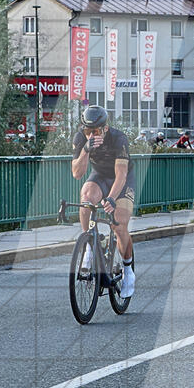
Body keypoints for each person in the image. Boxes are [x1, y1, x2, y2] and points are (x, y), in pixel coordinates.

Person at [71, 105, 136, 298]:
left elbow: (121, 174)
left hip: (121, 180)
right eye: (87, 131)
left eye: (96, 131)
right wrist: (85, 150)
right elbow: (77, 173)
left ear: (105, 128)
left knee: (119, 224)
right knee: (86, 197)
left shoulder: (118, 139)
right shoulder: (81, 138)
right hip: (100, 176)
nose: (91, 135)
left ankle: (128, 271)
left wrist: (112, 198)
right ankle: (89, 246)